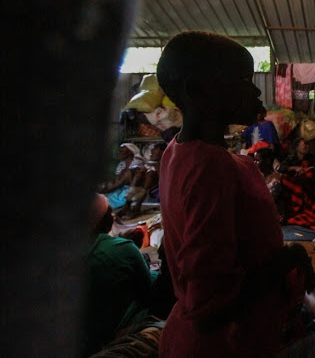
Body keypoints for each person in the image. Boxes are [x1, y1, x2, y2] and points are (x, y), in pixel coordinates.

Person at [156, 31, 303, 357]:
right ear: (199, 92)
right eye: (243, 80)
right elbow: (211, 307)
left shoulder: (176, 151)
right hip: (224, 345)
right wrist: (287, 260)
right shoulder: (210, 167)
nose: (254, 89)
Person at [81, 193, 155, 356]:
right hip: (123, 337)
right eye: (109, 212)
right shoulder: (122, 248)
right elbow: (149, 292)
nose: (113, 215)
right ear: (101, 219)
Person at [98, 143, 145, 210]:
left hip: (133, 188)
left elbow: (120, 183)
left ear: (130, 153)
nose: (118, 153)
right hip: (121, 188)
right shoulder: (121, 164)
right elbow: (117, 182)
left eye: (121, 151)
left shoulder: (137, 162)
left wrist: (107, 189)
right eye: (118, 151)